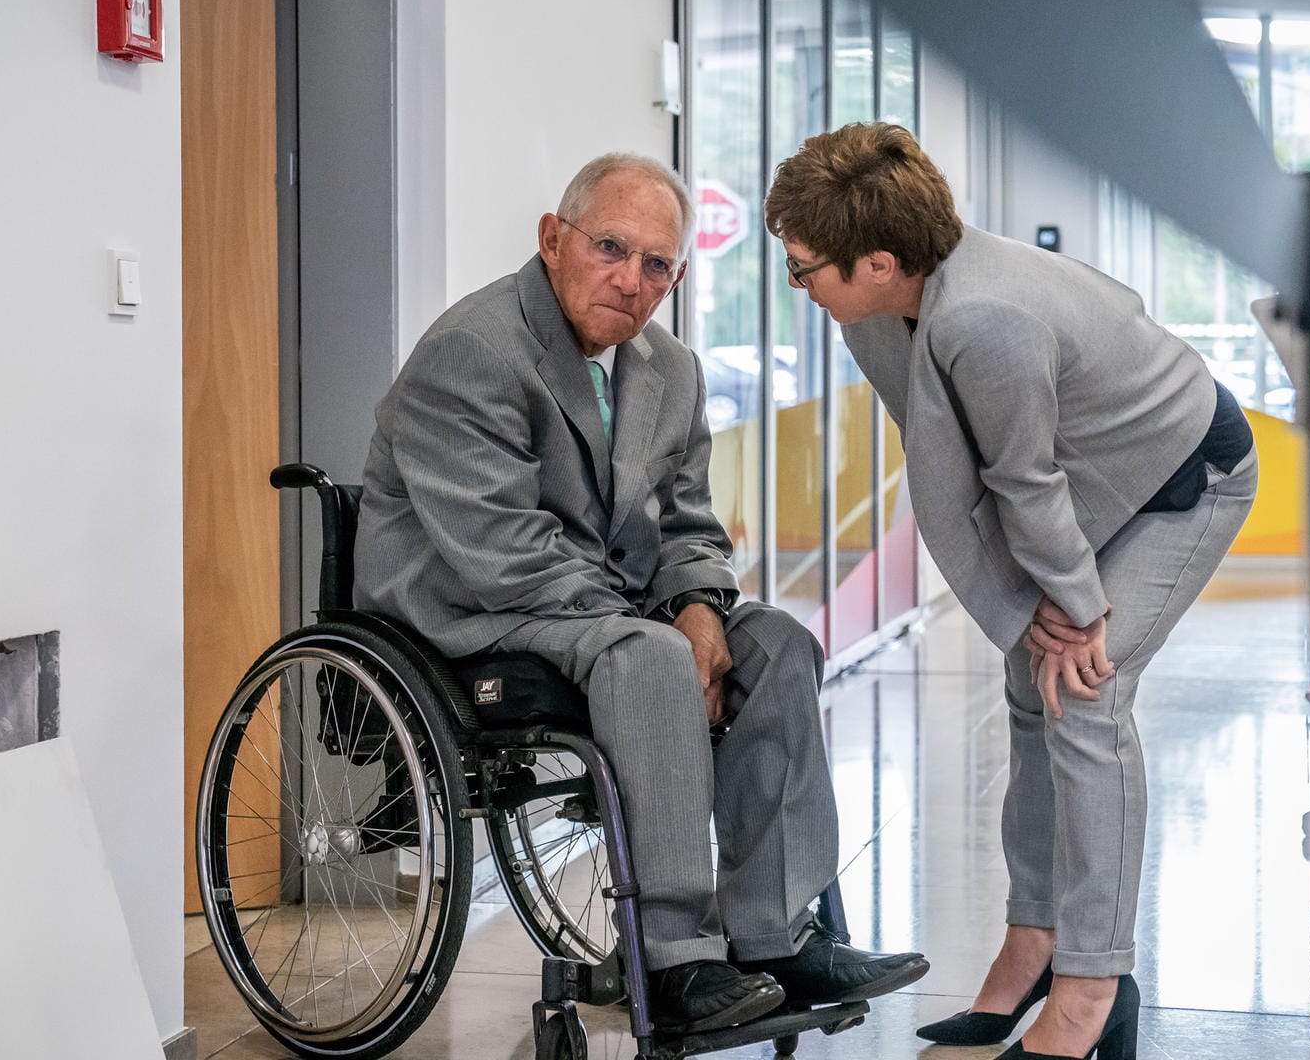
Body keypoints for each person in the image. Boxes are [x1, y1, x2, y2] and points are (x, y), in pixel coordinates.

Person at [353, 152, 928, 1033]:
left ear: (678, 279)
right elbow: (501, 551)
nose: (630, 280)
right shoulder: (474, 350)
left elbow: (688, 526)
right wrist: (655, 630)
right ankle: (673, 957)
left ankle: (774, 935)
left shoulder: (667, 369)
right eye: (610, 248)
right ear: (554, 239)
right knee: (650, 654)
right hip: (471, 612)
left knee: (776, 644)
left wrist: (699, 606)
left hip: (593, 610)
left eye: (655, 264)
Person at [765, 123, 1257, 1060]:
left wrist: (1070, 610)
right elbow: (958, 456)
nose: (801, 285)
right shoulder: (882, 307)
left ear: (878, 260)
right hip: (1094, 474)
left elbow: (1022, 483)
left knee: (1084, 694)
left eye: (806, 269)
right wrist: (1027, 611)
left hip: (1184, 475)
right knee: (1029, 686)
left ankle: (1093, 983)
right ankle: (1034, 943)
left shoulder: (981, 318)